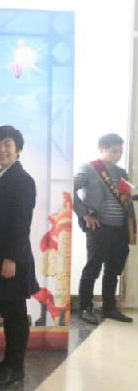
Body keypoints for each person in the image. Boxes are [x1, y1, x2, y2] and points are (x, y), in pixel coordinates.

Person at [0, 125, 39, 389]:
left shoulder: (22, 180)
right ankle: (8, 362)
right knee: (7, 309)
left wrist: (11, 258)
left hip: (13, 258)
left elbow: (21, 223)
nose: (1, 150)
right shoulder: (1, 176)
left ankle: (16, 368)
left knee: (15, 313)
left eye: (7, 144)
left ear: (18, 149)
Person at [73, 133, 135, 324]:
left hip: (120, 229)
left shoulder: (122, 172)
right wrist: (85, 215)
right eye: (114, 151)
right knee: (93, 269)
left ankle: (109, 307)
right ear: (102, 148)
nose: (118, 155)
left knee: (114, 269)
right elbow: (69, 189)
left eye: (120, 151)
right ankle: (85, 307)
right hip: (99, 227)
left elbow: (126, 198)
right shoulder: (90, 168)